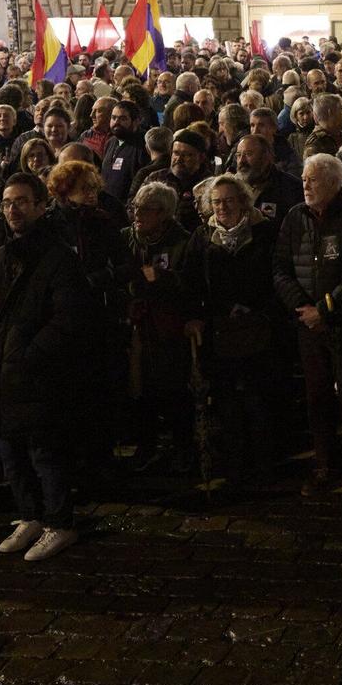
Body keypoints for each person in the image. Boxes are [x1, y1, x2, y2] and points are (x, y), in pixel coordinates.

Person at [0, 172, 99, 562]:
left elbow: (70, 317)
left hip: (37, 374)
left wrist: (30, 354)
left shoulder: (59, 257)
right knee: (10, 452)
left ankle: (59, 522)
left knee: (45, 453)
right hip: (1, 372)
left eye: (22, 202)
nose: (13, 209)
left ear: (41, 206)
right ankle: (29, 514)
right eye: (8, 202)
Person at [273, 152, 342, 498]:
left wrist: (327, 308)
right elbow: (280, 268)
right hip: (308, 324)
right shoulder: (295, 217)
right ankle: (325, 465)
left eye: (313, 179)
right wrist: (303, 308)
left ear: (334, 183)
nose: (305, 184)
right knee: (316, 396)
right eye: (304, 178)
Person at [195, 175, 283, 489]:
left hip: (257, 327)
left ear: (242, 201)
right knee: (227, 402)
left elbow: (276, 275)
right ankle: (235, 466)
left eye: (229, 200)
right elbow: (196, 282)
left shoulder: (265, 233)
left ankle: (264, 466)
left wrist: (256, 308)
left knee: (259, 400)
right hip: (221, 332)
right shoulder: (204, 238)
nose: (223, 207)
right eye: (217, 201)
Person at [121, 181, 202, 471]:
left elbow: (191, 283)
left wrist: (162, 278)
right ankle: (147, 444)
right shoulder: (128, 238)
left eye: (147, 210)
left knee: (173, 390)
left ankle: (183, 447)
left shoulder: (182, 241)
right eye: (135, 208)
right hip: (138, 326)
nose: (138, 215)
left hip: (169, 327)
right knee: (140, 388)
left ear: (165, 213)